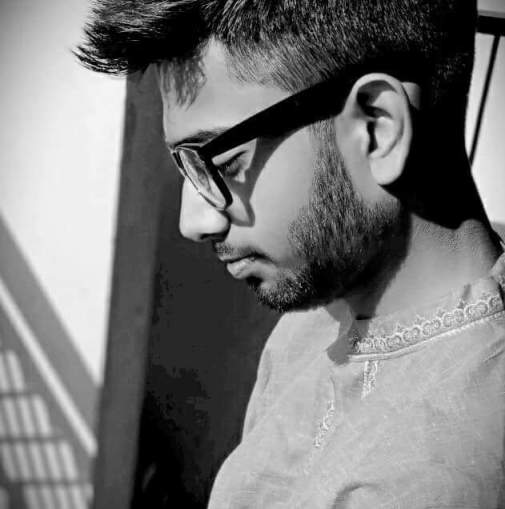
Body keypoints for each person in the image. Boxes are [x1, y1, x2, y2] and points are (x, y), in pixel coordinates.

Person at [78, 1, 505, 507]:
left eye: (224, 163)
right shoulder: (326, 305)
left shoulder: (431, 483)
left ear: (376, 128)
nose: (194, 223)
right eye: (186, 166)